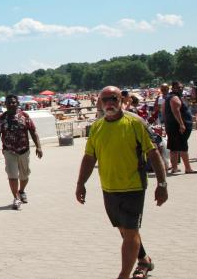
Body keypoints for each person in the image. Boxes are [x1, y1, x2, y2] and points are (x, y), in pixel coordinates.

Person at [76, 86, 168, 279]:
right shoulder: (97, 127)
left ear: (122, 100)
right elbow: (89, 157)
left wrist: (162, 184)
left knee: (130, 230)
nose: (109, 103)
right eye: (105, 100)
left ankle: (123, 275)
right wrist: (80, 183)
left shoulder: (135, 123)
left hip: (133, 186)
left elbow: (153, 153)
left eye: (113, 99)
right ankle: (144, 261)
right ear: (100, 102)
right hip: (108, 187)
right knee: (125, 230)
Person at [0, 94, 44, 210]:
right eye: (9, 102)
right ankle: (16, 198)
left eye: (14, 102)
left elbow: (33, 131)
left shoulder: (24, 116)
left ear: (17, 103)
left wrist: (39, 147)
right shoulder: (0, 119)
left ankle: (21, 191)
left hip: (24, 150)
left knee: (24, 175)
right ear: (5, 104)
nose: (12, 104)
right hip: (9, 151)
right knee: (12, 175)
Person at [165, 81, 197, 174]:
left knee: (173, 147)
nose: (181, 89)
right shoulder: (174, 98)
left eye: (181, 87)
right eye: (179, 87)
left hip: (171, 125)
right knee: (183, 146)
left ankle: (174, 168)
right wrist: (181, 124)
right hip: (177, 126)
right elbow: (176, 111)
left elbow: (164, 111)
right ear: (173, 88)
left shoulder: (168, 97)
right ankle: (188, 168)